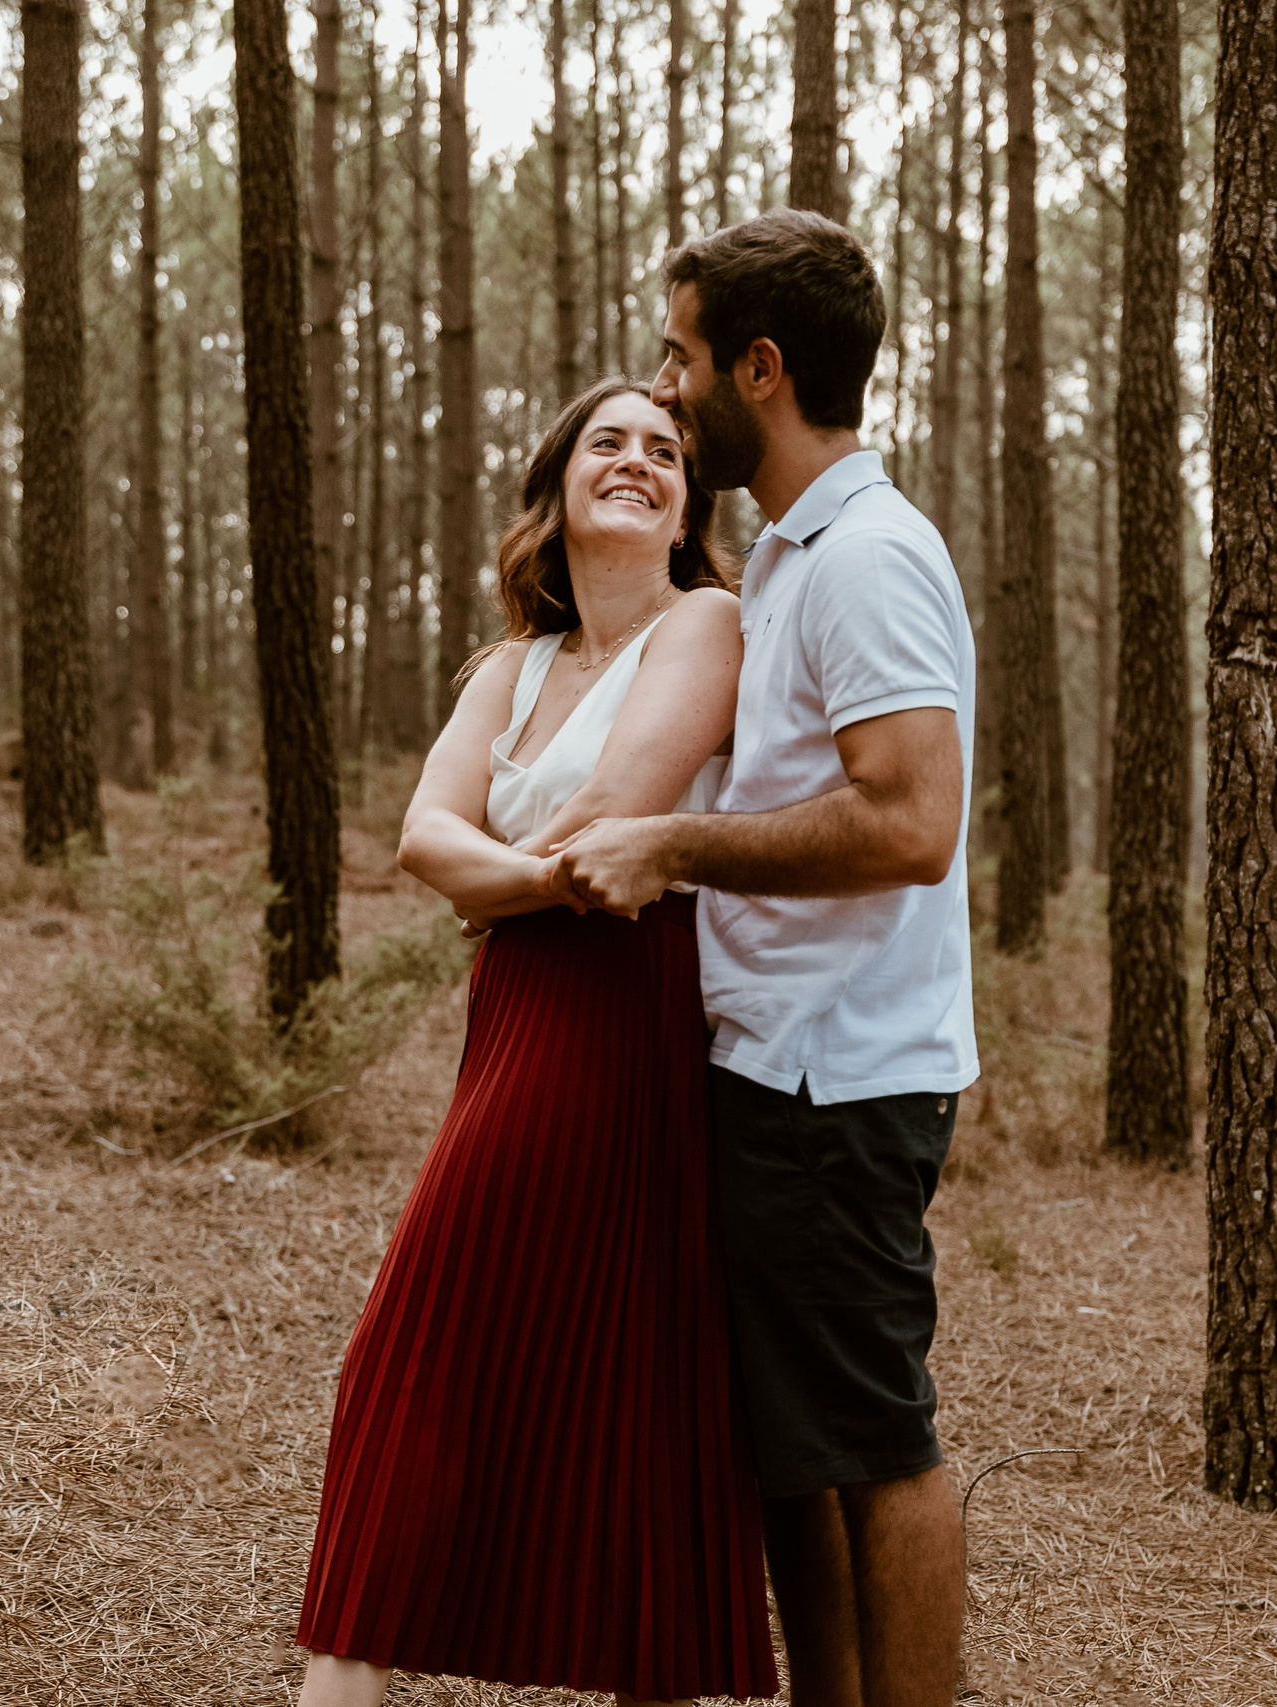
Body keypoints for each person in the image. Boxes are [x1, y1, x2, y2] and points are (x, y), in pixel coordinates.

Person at [293, 377, 777, 1707]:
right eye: (607, 443)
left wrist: (495, 873)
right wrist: (523, 877)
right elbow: (418, 837)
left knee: (503, 1367)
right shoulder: (508, 669)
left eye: (666, 451)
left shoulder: (707, 625)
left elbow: (614, 827)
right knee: (451, 1374)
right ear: (557, 483)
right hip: (516, 1011)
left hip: (626, 1013)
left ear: (688, 504)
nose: (638, 461)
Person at [549, 209, 978, 1707]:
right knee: (801, 1452)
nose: (666, 391)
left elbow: (913, 820)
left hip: (840, 1078)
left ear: (764, 368)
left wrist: (675, 844)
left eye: (682, 357)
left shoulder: (868, 556)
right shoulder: (794, 557)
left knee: (877, 1442)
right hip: (771, 1064)